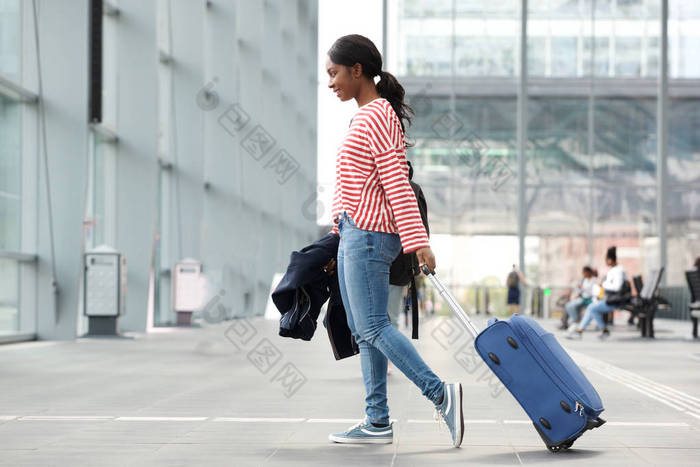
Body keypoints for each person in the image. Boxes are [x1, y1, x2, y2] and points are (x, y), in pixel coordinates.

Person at [324, 35, 463, 447]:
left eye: (334, 73)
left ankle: (440, 394)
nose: (330, 82)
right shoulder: (364, 115)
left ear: (357, 70)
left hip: (370, 236)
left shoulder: (378, 114)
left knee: (372, 325)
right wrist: (336, 234)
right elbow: (353, 185)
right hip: (354, 233)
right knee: (362, 328)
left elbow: (396, 181)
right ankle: (377, 420)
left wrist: (418, 242)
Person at [567, 247, 627, 340]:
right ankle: (581, 331)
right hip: (609, 298)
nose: (605, 261)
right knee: (592, 309)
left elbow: (616, 287)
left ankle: (598, 330)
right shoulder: (615, 270)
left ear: (610, 260)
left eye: (606, 259)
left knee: (592, 308)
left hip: (615, 300)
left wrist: (603, 284)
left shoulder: (618, 271)